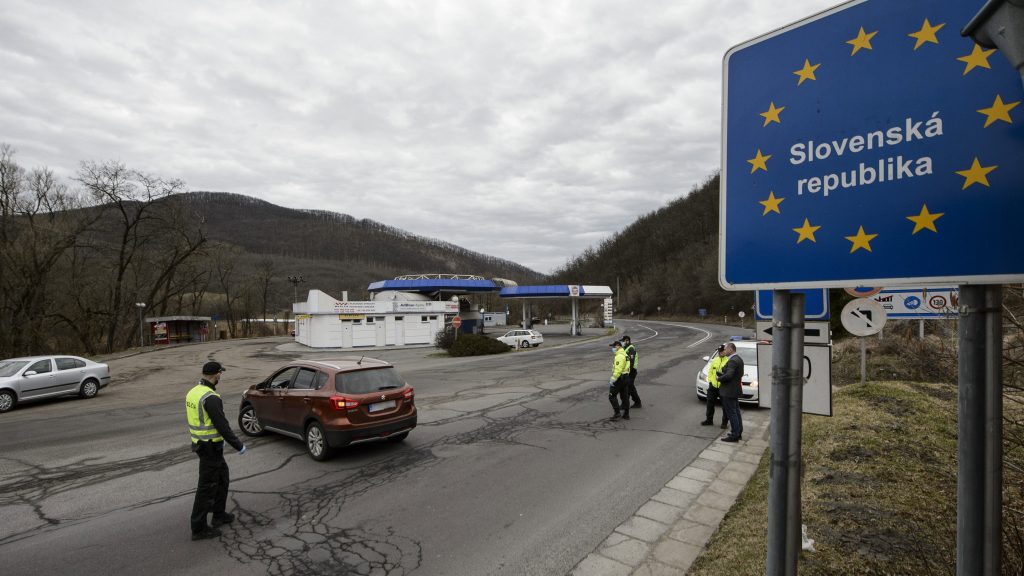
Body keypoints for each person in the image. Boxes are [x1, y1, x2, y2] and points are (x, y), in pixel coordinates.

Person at [186, 361, 246, 541]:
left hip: (204, 445)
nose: (221, 376)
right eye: (220, 373)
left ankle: (219, 515)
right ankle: (199, 528)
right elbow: (222, 426)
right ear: (216, 374)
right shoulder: (211, 397)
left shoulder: (193, 392)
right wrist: (238, 445)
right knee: (206, 487)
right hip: (209, 448)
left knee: (222, 479)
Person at [716, 343, 745, 442]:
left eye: (726, 349)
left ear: (730, 349)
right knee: (736, 412)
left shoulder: (732, 360)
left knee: (732, 413)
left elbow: (729, 375)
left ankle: (734, 435)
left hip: (729, 391)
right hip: (735, 389)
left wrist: (719, 378)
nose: (724, 351)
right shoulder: (739, 359)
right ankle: (738, 432)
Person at [700, 344, 729, 429]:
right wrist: (711, 381)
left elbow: (728, 375)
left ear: (725, 351)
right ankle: (709, 420)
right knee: (710, 404)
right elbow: (710, 372)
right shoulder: (715, 360)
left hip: (723, 387)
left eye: (722, 351)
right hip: (713, 386)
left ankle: (724, 423)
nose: (720, 353)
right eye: (719, 351)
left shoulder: (728, 361)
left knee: (725, 406)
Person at [608, 340, 631, 420]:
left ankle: (617, 413)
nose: (613, 348)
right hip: (626, 377)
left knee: (611, 396)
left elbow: (618, 370)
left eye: (614, 347)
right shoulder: (625, 354)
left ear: (618, 346)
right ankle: (626, 414)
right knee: (624, 396)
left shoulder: (619, 356)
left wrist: (613, 379)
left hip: (619, 379)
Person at [621, 335, 641, 408]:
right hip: (627, 371)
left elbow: (631, 362)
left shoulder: (631, 348)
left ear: (628, 341)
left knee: (628, 387)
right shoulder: (625, 348)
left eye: (624, 341)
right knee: (630, 387)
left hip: (631, 371)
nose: (623, 342)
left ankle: (626, 404)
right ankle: (636, 402)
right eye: (622, 341)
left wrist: (628, 371)